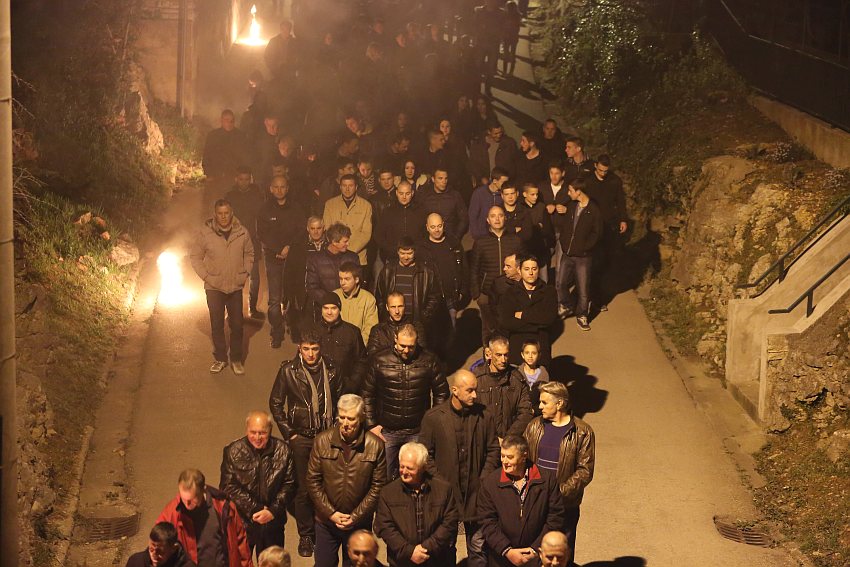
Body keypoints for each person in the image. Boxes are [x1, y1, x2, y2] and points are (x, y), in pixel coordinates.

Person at [268, 331, 342, 557]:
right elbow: (276, 402)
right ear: (300, 348)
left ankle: (325, 532)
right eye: (306, 348)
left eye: (315, 349)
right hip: (301, 437)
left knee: (328, 485)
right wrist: (290, 434)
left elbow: (340, 399)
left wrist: (337, 427)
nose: (311, 354)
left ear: (321, 349)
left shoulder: (332, 370)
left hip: (326, 436)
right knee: (303, 490)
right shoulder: (289, 371)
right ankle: (306, 536)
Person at [419, 370, 500, 567]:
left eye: (475, 390)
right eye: (470, 390)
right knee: (445, 548)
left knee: (479, 549)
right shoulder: (434, 418)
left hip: (477, 494)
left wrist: (484, 478)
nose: (475, 395)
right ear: (454, 390)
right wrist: (440, 483)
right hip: (445, 496)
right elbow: (425, 454)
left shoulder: (485, 416)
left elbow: (493, 449)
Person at [306, 394, 388, 567]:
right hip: (326, 521)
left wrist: (355, 516)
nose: (345, 423)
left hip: (358, 522)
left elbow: (378, 487)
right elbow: (313, 481)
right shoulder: (321, 441)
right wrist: (331, 513)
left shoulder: (375, 445)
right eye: (341, 417)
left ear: (361, 418)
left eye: (350, 418)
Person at [362, 324, 449, 479]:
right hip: (386, 432)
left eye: (411, 346)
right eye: (403, 346)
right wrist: (371, 425)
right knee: (385, 480)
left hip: (418, 430)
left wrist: (433, 423)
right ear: (395, 339)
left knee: (418, 477)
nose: (406, 351)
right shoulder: (379, 360)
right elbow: (367, 394)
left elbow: (441, 393)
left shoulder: (429, 360)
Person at [524, 382, 595, 567]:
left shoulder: (582, 432)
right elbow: (524, 461)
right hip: (536, 502)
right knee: (535, 552)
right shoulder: (534, 427)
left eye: (544, 403)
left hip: (565, 505)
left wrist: (558, 493)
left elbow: (584, 471)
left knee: (562, 554)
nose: (539, 407)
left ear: (560, 404)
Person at [477, 435, 565, 567]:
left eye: (510, 457)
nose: (504, 461)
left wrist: (535, 549)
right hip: (501, 559)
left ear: (524, 456)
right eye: (502, 456)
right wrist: (507, 550)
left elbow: (555, 517)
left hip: (536, 558)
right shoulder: (490, 483)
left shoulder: (547, 480)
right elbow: (487, 521)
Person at [189, 199, 254, 375]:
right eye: (220, 213)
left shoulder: (242, 232)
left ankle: (236, 359)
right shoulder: (205, 234)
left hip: (235, 286)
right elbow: (195, 257)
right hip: (214, 287)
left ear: (231, 213)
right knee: (217, 324)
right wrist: (207, 276)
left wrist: (245, 272)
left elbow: (249, 253)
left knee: (237, 325)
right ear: (215, 214)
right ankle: (220, 358)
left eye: (226, 213)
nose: (223, 217)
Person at [220, 411, 296, 556]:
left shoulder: (284, 451)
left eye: (262, 433)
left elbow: (290, 485)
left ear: (270, 430)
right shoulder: (232, 451)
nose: (257, 437)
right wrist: (256, 508)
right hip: (242, 523)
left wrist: (272, 511)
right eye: (253, 432)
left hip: (273, 523)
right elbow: (227, 486)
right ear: (246, 429)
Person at [374, 442, 460, 567]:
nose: (404, 472)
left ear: (423, 467)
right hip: (402, 561)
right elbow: (384, 526)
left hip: (438, 560)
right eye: (401, 466)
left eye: (410, 468)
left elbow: (449, 523)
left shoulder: (443, 489)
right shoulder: (388, 492)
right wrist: (409, 552)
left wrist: (426, 548)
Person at [156, 469, 251, 567]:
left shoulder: (223, 507)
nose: (186, 504)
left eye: (191, 500)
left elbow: (241, 543)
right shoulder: (172, 512)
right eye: (183, 498)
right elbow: (157, 544)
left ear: (203, 490)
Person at [257, 175, 306, 347]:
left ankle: (294, 328)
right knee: (275, 299)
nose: (279, 190)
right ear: (271, 189)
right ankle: (276, 332)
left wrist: (289, 247)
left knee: (293, 295)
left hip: (293, 257)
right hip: (273, 258)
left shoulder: (296, 208)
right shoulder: (264, 210)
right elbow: (262, 234)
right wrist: (279, 249)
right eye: (276, 187)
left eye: (283, 187)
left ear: (287, 188)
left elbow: (301, 230)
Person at [470, 206, 523, 347]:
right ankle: (489, 361)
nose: (497, 219)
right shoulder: (480, 243)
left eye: (500, 215)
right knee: (489, 329)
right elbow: (474, 269)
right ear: (488, 220)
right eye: (493, 216)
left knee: (511, 326)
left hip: (510, 291)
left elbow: (521, 266)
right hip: (487, 293)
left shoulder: (515, 241)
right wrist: (477, 294)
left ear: (505, 218)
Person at [556, 177, 602, 331]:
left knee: (583, 289)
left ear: (578, 191)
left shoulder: (594, 210)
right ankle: (566, 305)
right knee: (560, 283)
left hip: (583, 257)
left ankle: (582, 315)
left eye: (570, 191)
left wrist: (585, 247)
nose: (568, 193)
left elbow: (597, 233)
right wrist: (563, 242)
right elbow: (565, 227)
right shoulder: (572, 205)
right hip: (567, 253)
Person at [584, 155, 628, 312]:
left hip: (608, 227)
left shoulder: (614, 181)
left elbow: (620, 201)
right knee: (593, 263)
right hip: (592, 227)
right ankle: (590, 297)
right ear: (595, 166)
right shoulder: (588, 181)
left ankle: (598, 298)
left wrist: (623, 219)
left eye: (606, 171)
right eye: (601, 170)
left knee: (604, 263)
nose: (603, 173)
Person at [498, 255, 558, 366]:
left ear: (538, 270)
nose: (531, 273)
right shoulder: (509, 293)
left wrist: (523, 315)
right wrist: (537, 323)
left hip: (541, 346)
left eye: (534, 269)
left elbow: (549, 319)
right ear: (519, 271)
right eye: (526, 269)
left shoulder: (549, 292)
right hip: (517, 346)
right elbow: (506, 322)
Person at [224, 166, 265, 319]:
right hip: (234, 242)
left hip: (253, 241)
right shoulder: (230, 197)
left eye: (247, 179)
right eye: (241, 179)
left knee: (254, 277)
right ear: (236, 179)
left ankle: (252, 308)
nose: (244, 182)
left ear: (251, 179)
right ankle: (232, 310)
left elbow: (262, 217)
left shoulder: (257, 195)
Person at [474, 335, 534, 440]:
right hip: (482, 441)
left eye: (506, 355)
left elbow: (526, 412)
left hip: (508, 443)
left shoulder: (517, 379)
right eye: (498, 355)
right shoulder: (477, 379)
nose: (503, 360)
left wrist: (508, 438)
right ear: (489, 354)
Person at [374, 237, 440, 330]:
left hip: (416, 324)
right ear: (397, 252)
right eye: (402, 253)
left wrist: (423, 316)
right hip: (392, 324)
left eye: (409, 253)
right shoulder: (387, 271)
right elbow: (379, 297)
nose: (406, 257)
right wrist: (386, 315)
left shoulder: (426, 272)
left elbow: (434, 298)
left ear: (415, 252)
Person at [418, 213, 469, 327]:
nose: (437, 230)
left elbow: (464, 269)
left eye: (439, 226)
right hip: (430, 299)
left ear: (443, 225)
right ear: (427, 227)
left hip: (451, 297)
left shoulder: (454, 244)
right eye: (433, 227)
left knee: (451, 331)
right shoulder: (421, 248)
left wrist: (462, 292)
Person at [283, 216, 327, 343]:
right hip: (304, 293)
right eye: (312, 228)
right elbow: (288, 273)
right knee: (304, 328)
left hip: (323, 292)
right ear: (308, 229)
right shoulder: (298, 247)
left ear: (323, 228)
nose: (316, 231)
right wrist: (288, 297)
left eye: (319, 228)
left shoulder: (329, 246)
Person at [313, 292, 368, 394]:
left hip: (345, 390)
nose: (329, 312)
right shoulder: (313, 331)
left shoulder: (352, 332)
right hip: (318, 390)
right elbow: (302, 357)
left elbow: (362, 361)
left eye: (333, 308)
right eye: (326, 308)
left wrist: (352, 384)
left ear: (339, 309)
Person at [306, 222, 360, 317]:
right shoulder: (315, 260)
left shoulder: (353, 257)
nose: (348, 244)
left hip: (350, 307)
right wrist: (330, 301)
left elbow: (358, 283)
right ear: (334, 242)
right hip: (327, 309)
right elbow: (312, 287)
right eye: (345, 241)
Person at [323, 174, 374, 269]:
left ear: (356, 187)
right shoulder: (330, 204)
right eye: (344, 185)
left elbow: (366, 234)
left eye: (350, 186)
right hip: (335, 257)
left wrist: (349, 251)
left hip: (358, 258)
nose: (347, 189)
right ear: (340, 187)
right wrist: (340, 248)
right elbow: (328, 230)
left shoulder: (366, 206)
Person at [375, 181, 427, 264]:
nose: (404, 197)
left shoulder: (421, 211)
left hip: (416, 258)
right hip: (392, 258)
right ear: (396, 193)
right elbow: (378, 235)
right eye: (401, 193)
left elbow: (426, 235)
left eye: (407, 193)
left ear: (412, 193)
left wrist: (417, 251)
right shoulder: (388, 212)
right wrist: (391, 250)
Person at [202, 110, 248, 192]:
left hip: (234, 177)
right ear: (221, 121)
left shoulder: (240, 136)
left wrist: (242, 175)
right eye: (226, 120)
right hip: (216, 176)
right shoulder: (213, 136)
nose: (229, 123)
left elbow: (245, 157)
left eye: (231, 121)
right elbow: (206, 155)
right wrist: (208, 173)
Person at [335, 261, 379, 345]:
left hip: (359, 348)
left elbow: (370, 329)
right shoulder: (334, 296)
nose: (342, 283)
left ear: (356, 279)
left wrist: (358, 347)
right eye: (340, 279)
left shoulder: (368, 299)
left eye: (347, 279)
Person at [418, 167, 468, 238]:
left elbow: (464, 219)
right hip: (429, 240)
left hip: (450, 239)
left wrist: (456, 237)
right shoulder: (425, 196)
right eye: (440, 178)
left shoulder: (455, 195)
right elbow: (419, 219)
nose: (444, 181)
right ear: (433, 179)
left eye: (446, 178)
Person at [521, 183, 555, 282]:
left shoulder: (541, 207)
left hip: (540, 250)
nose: (535, 197)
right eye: (532, 194)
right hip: (525, 249)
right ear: (524, 194)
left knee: (543, 279)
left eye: (536, 194)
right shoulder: (520, 208)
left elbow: (547, 229)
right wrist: (537, 226)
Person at [125, 522, 196, 567]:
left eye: (160, 552)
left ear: (173, 549)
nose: (154, 555)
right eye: (151, 549)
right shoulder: (136, 561)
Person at [469, 121, 518, 186]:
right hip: (485, 184)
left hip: (504, 184)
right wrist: (482, 178)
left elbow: (515, 163)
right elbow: (473, 164)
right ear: (488, 132)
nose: (498, 135)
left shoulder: (509, 143)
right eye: (495, 133)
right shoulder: (478, 145)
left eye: (500, 132)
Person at [468, 167, 509, 240]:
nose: (507, 184)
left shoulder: (505, 194)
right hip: (482, 236)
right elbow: (472, 217)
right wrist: (476, 236)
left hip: (500, 236)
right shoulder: (479, 193)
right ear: (495, 181)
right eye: (504, 182)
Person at [519, 341, 549, 414]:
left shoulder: (544, 375)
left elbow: (546, 400)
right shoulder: (517, 374)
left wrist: (534, 411)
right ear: (522, 355)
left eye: (534, 353)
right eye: (527, 353)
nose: (530, 356)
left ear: (539, 355)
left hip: (537, 415)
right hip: (519, 415)